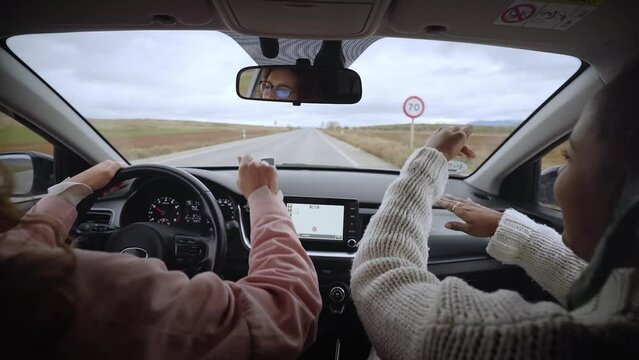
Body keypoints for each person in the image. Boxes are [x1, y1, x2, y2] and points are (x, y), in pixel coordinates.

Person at [351, 63, 639, 359]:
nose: (559, 175)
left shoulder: (529, 344)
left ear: (631, 197)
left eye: (570, 156)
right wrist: (512, 230)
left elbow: (380, 274)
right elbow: (594, 285)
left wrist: (429, 160)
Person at [0, 155, 321, 359]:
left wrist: (70, 191)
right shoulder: (105, 289)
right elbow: (285, 310)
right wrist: (264, 199)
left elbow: (19, 248)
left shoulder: (19, 275)